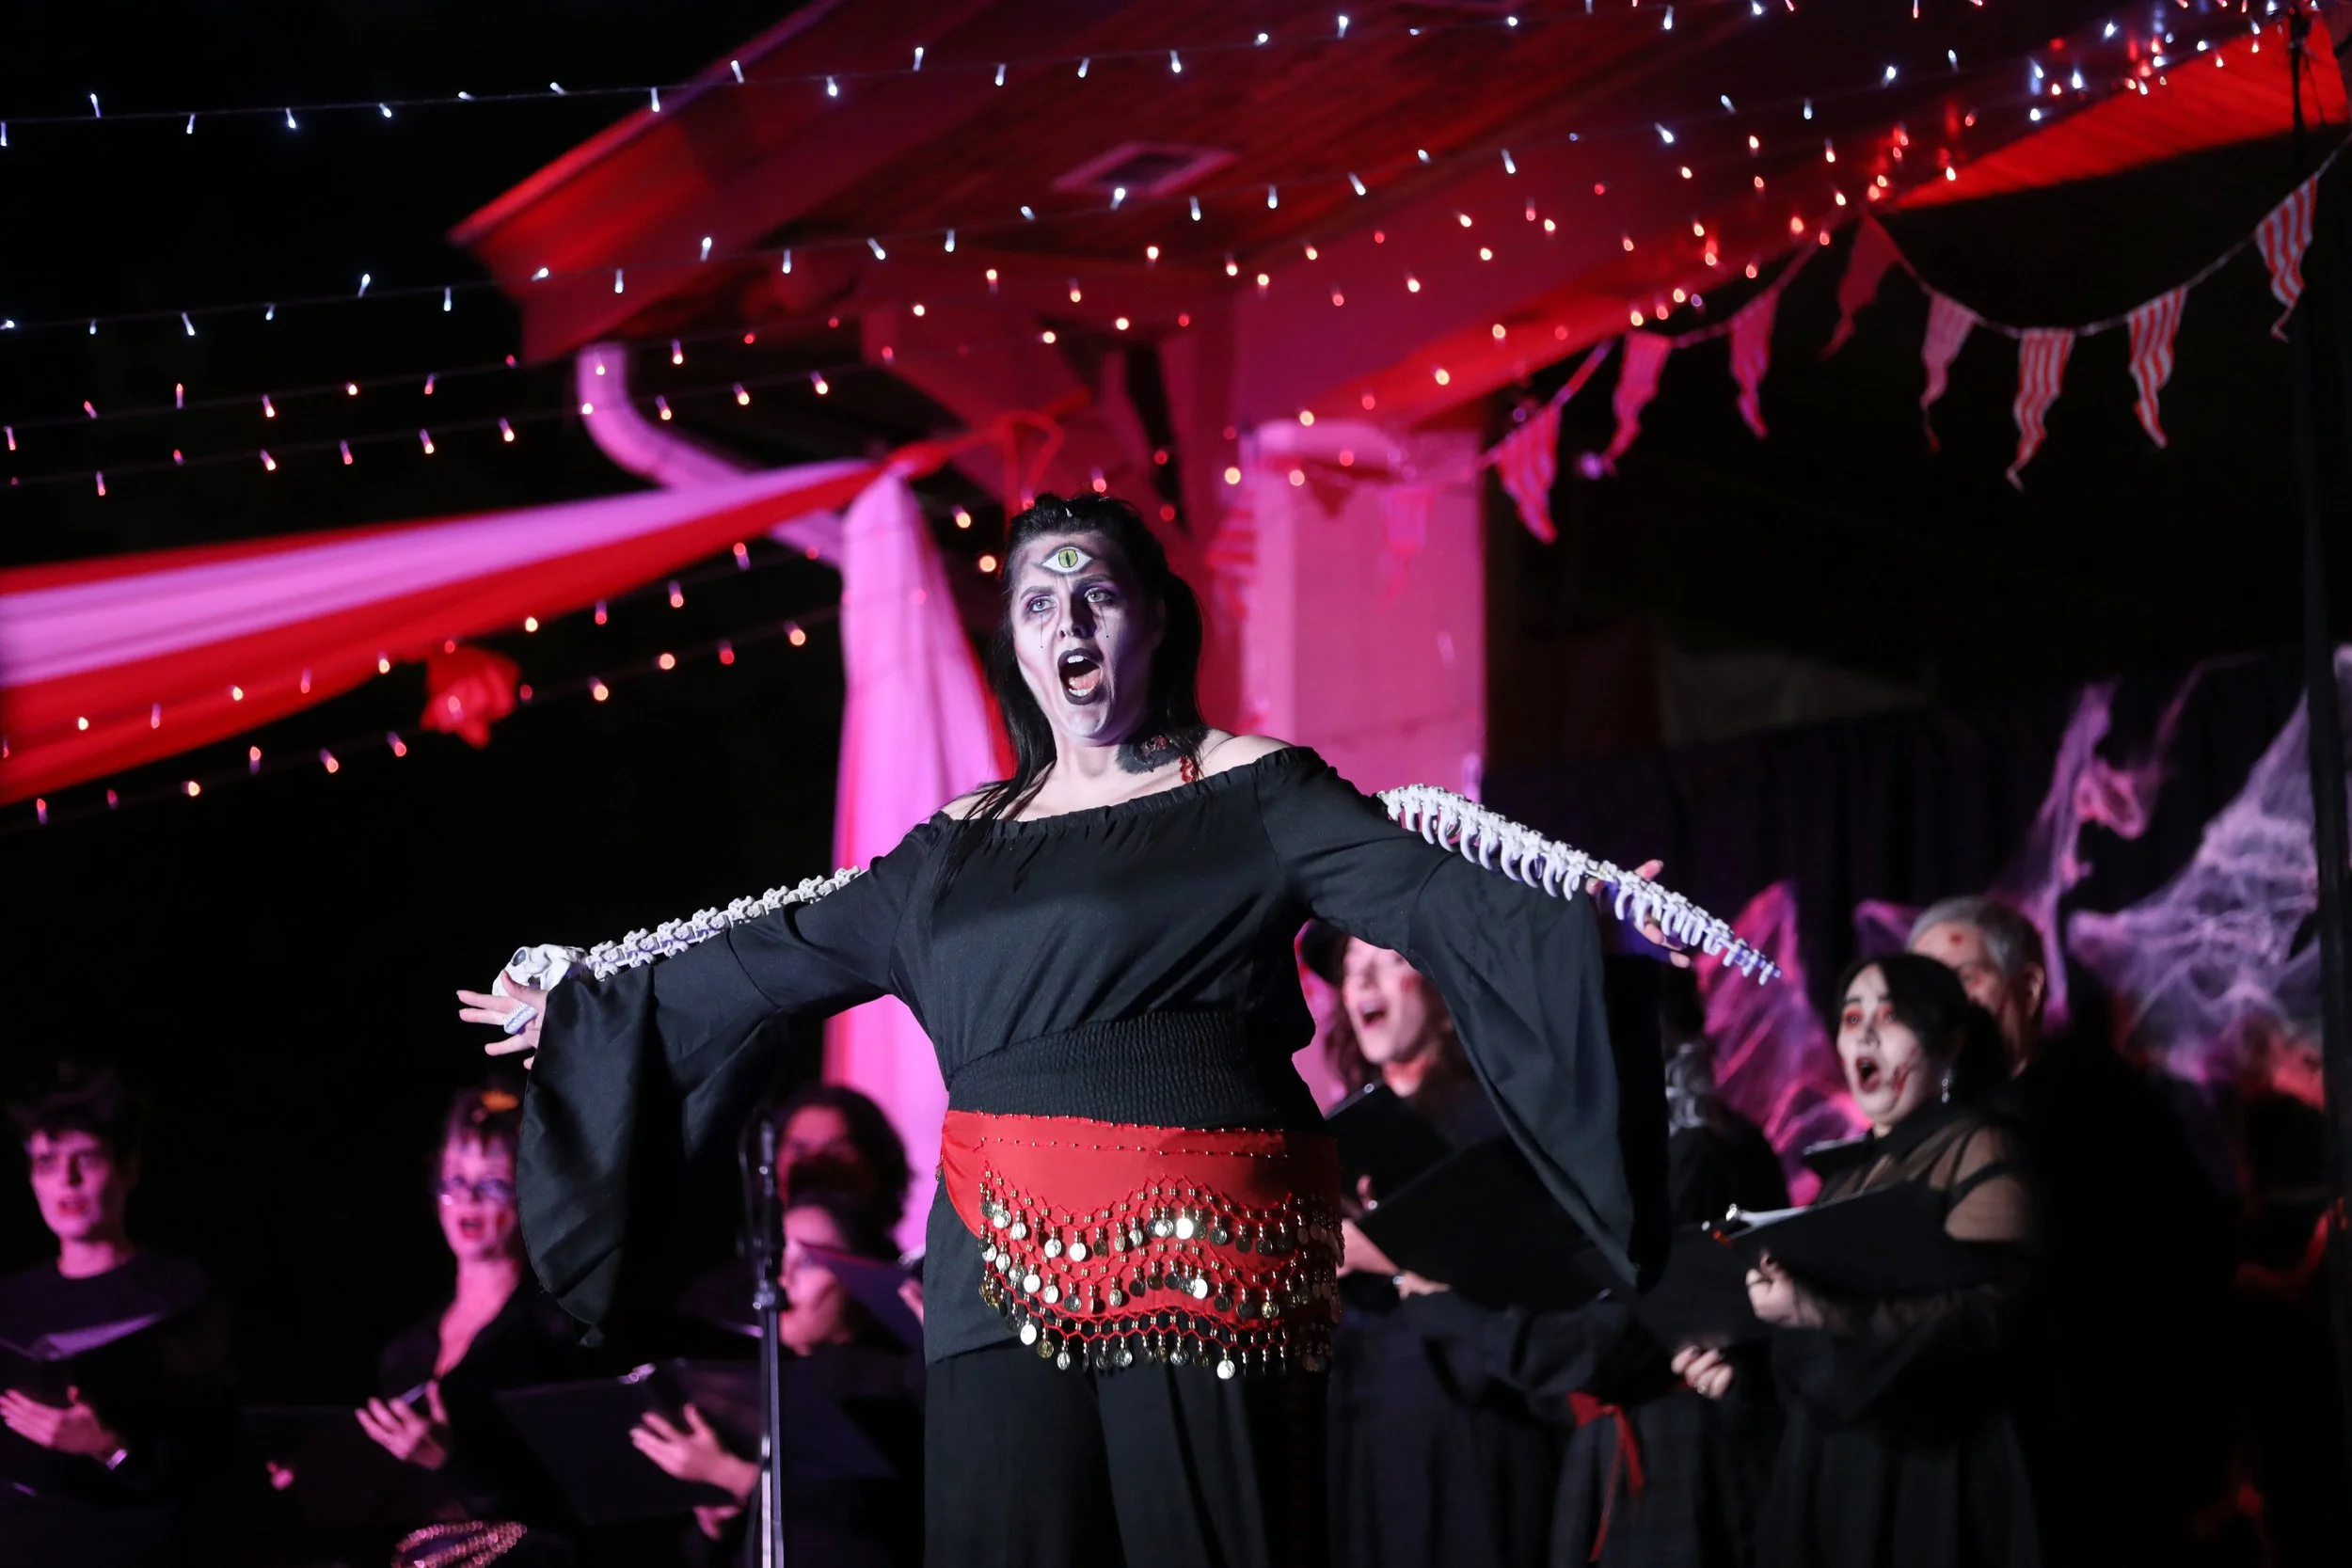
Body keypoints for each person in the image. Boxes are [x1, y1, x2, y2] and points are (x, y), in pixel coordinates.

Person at [461, 492, 1673, 1568]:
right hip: (994, 1259)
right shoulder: (955, 847)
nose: (1069, 619)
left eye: (1098, 592)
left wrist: (1584, 923)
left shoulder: (1252, 787)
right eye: (1039, 601)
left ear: (1155, 619)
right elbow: (767, 955)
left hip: (1211, 1250)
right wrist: (590, 1004)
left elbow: (1424, 891)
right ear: (1019, 648)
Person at [1393, 970, 1790, 1568]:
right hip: (1618, 1450)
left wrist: (1450, 1308)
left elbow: (1613, 1343)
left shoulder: (1701, 1155)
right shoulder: (1622, 1160)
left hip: (1681, 1453)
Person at [1674, 953, 2037, 1568]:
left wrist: (1821, 1311)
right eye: (1850, 1016)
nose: (1864, 1033)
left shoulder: (1978, 1143)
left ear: (1948, 1043)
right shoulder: (1848, 1174)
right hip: (1833, 1469)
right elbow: (1820, 1355)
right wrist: (1737, 1361)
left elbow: (1989, 1318)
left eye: (1890, 1016)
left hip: (1929, 1473)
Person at [1907, 896, 2233, 1567]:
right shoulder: (1920, 1133)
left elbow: (2187, 1282)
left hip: (2098, 1466)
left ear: (2027, 986)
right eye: (1926, 988)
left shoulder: (2109, 1109)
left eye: (1964, 979)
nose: (1945, 1008)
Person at [1305, 927, 1559, 1568]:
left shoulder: (1493, 1118)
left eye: (1387, 960)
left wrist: (1384, 1248)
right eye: (1350, 966)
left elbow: (1528, 1277)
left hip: (1465, 1415)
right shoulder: (1347, 1123)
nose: (1361, 980)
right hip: (1365, 1405)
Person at [0, 1062, 236, 1568]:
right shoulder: (10, 1303)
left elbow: (213, 1459)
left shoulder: (180, 1291)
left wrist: (107, 1447)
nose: (67, 1179)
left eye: (86, 1158)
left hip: (142, 1546)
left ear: (129, 1170)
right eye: (46, 1162)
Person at [632, 1189, 926, 1567]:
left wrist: (737, 1476)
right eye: (777, 1258)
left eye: (807, 1260)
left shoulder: (891, 1382)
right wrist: (718, 1521)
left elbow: (886, 1505)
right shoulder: (753, 1388)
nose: (782, 1279)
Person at [358, 1081, 580, 1567]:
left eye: (493, 1182)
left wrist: (451, 1462)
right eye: (454, 1180)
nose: (469, 1200)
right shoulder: (408, 1349)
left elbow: (573, 1505)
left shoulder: (553, 1335)